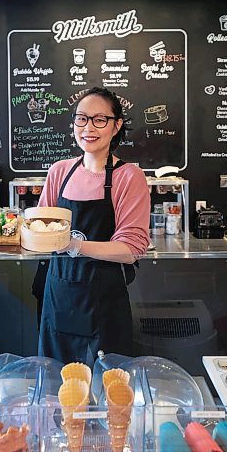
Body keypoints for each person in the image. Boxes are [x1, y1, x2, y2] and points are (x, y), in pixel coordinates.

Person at [37, 87, 150, 367]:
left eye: (100, 119)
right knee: (58, 388)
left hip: (104, 302)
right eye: (82, 119)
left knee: (108, 388)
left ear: (117, 126)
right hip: (59, 296)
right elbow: (38, 231)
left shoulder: (128, 176)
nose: (89, 127)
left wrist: (74, 245)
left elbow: (131, 249)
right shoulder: (59, 172)